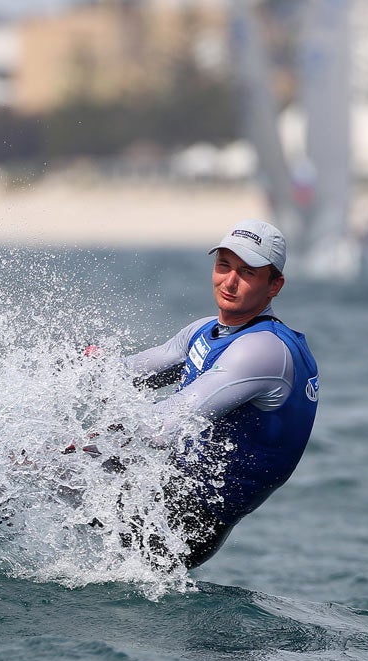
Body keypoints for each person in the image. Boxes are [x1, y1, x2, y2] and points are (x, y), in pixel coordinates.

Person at [119, 218, 319, 568]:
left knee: (41, 468)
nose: (229, 281)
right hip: (162, 487)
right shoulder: (204, 330)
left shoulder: (264, 351)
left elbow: (161, 427)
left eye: (247, 272)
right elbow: (121, 375)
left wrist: (79, 441)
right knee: (38, 465)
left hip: (186, 524)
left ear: (274, 285)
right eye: (223, 266)